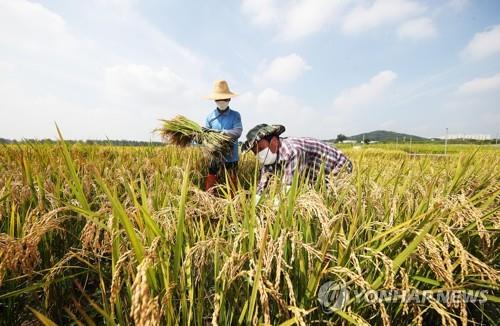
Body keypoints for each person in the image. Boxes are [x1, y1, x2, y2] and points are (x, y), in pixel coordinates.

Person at [241, 124, 352, 198]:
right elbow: (262, 187)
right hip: (315, 174)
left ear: (274, 142)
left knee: (331, 198)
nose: (258, 154)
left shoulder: (293, 151)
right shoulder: (268, 158)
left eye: (260, 149)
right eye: (255, 152)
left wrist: (274, 209)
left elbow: (288, 188)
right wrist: (256, 205)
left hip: (338, 167)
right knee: (313, 188)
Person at [204, 80, 243, 193]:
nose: (222, 102)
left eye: (224, 99)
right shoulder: (209, 117)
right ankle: (209, 201)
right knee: (212, 179)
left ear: (229, 99)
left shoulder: (235, 115)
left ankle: (233, 204)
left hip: (231, 156)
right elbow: (205, 136)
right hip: (214, 155)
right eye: (219, 99)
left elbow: (238, 131)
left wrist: (222, 134)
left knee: (232, 182)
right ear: (215, 100)